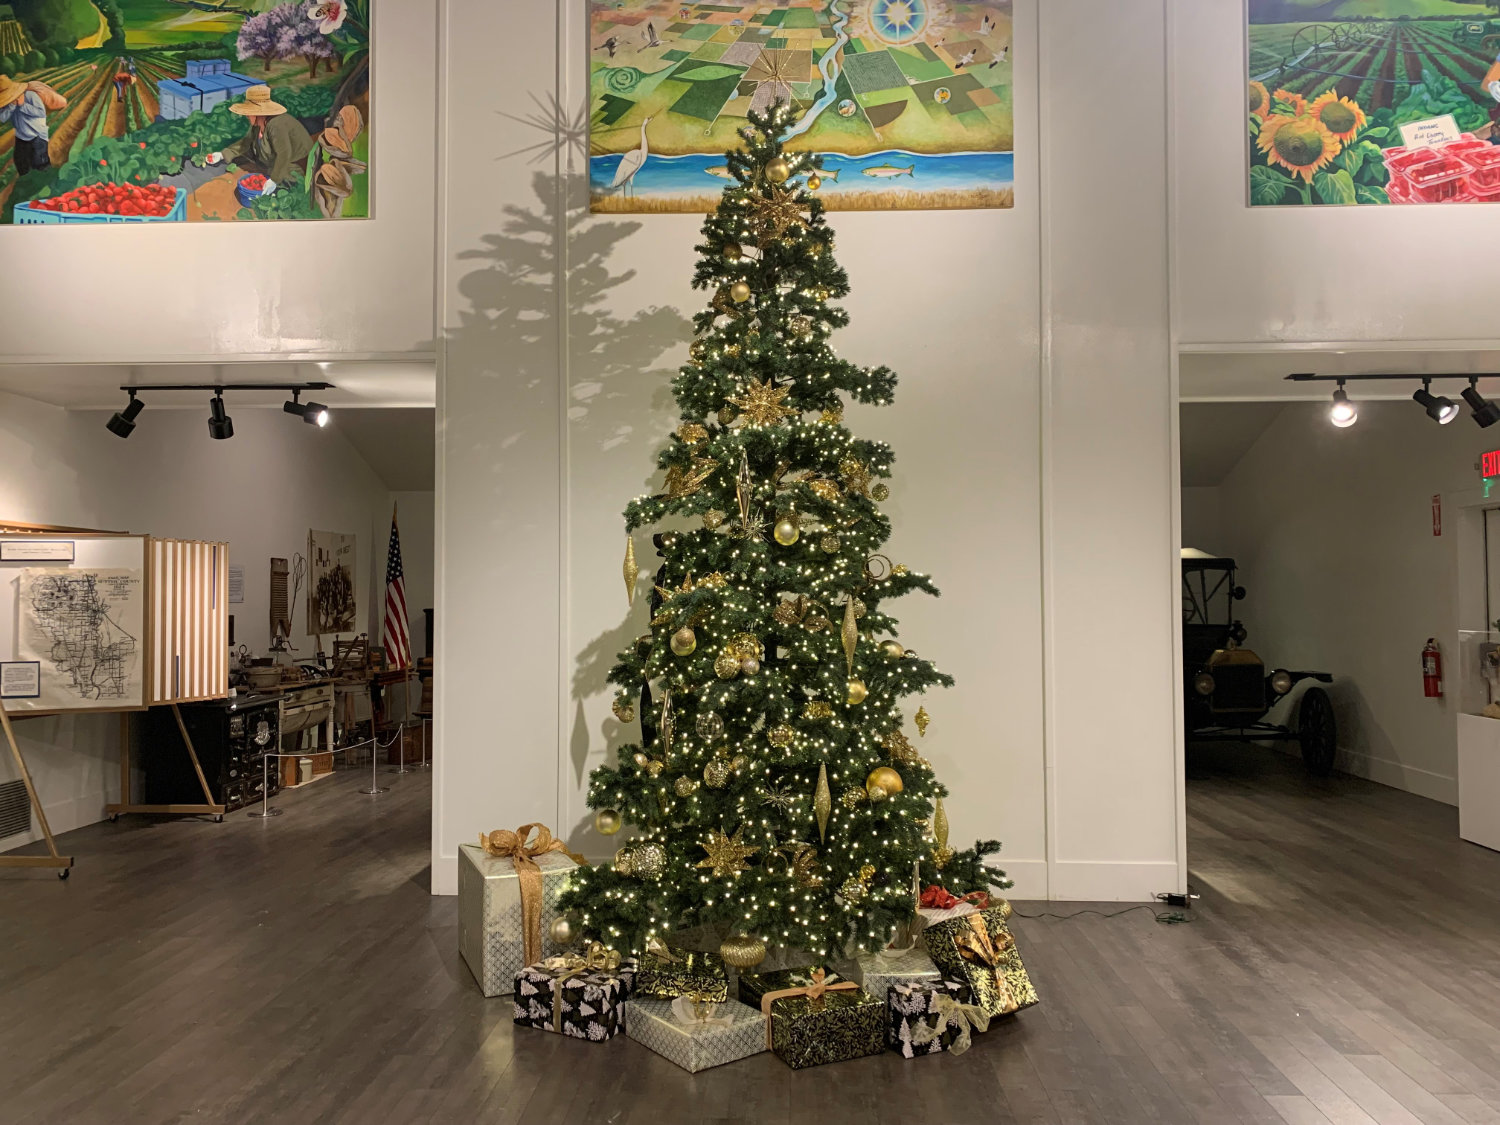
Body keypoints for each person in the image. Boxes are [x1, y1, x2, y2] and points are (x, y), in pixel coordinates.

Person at [204, 85, 313, 194]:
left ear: (258, 112)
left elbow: (284, 154)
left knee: (283, 183)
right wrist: (222, 154)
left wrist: (274, 180)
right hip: (276, 159)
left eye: (248, 112)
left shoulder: (276, 125)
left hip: (295, 165)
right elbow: (245, 143)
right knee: (251, 153)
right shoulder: (257, 125)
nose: (246, 115)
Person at [0, 73, 64, 177]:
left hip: (37, 136)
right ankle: (23, 184)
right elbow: (2, 118)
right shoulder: (7, 103)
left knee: (40, 163)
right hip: (21, 137)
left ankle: (43, 184)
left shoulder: (31, 96)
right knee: (21, 163)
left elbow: (40, 112)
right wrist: (11, 106)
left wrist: (22, 105)